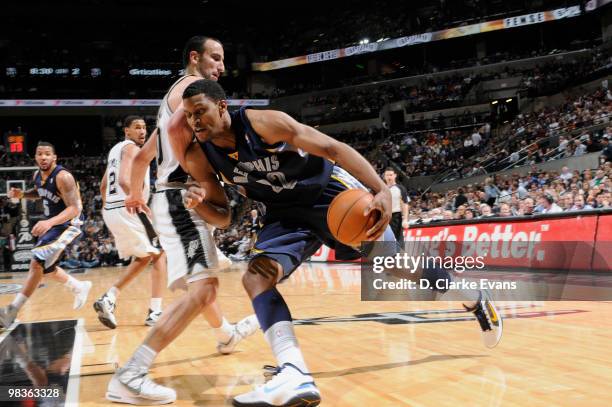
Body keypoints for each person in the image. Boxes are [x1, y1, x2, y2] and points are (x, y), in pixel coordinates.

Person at [168, 79, 503, 407]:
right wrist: (201, 205)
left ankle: (474, 297)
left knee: (394, 266)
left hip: (331, 195)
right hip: (285, 214)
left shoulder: (263, 123)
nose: (195, 121)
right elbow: (224, 216)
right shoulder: (202, 156)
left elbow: (333, 149)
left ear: (222, 106)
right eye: (189, 115)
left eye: (201, 111)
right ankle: (294, 372)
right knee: (255, 277)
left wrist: (380, 190)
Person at [105, 36, 258, 405]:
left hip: (171, 196)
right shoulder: (193, 92)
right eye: (216, 58)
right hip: (181, 199)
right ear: (195, 58)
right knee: (203, 288)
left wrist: (137, 193)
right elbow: (217, 139)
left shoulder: (173, 99)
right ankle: (130, 374)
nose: (221, 66)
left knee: (201, 280)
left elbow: (143, 158)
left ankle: (224, 335)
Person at [0, 142, 92, 328]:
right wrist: (23, 195)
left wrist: (49, 222)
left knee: (36, 262)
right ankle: (79, 286)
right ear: (35, 157)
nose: (43, 157)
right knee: (46, 269)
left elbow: (75, 208)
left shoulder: (63, 176)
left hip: (69, 223)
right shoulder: (37, 176)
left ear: (54, 157)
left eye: (47, 154)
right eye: (40, 154)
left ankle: (13, 310)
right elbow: (40, 193)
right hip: (55, 224)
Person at [93, 116, 167, 329]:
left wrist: (109, 207)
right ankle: (155, 312)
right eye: (137, 128)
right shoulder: (133, 149)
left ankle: (109, 298)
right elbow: (125, 179)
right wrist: (137, 198)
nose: (142, 131)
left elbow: (103, 185)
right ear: (127, 131)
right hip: (128, 207)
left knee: (144, 257)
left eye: (144, 127)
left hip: (112, 210)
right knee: (159, 254)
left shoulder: (115, 150)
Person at [383, 168, 409, 244]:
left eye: (391, 175)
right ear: (384, 177)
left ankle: (401, 255)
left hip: (396, 217)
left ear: (395, 175)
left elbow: (405, 204)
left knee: (398, 240)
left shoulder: (400, 188)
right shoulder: (381, 189)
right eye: (387, 175)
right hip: (384, 218)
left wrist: (405, 219)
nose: (389, 177)